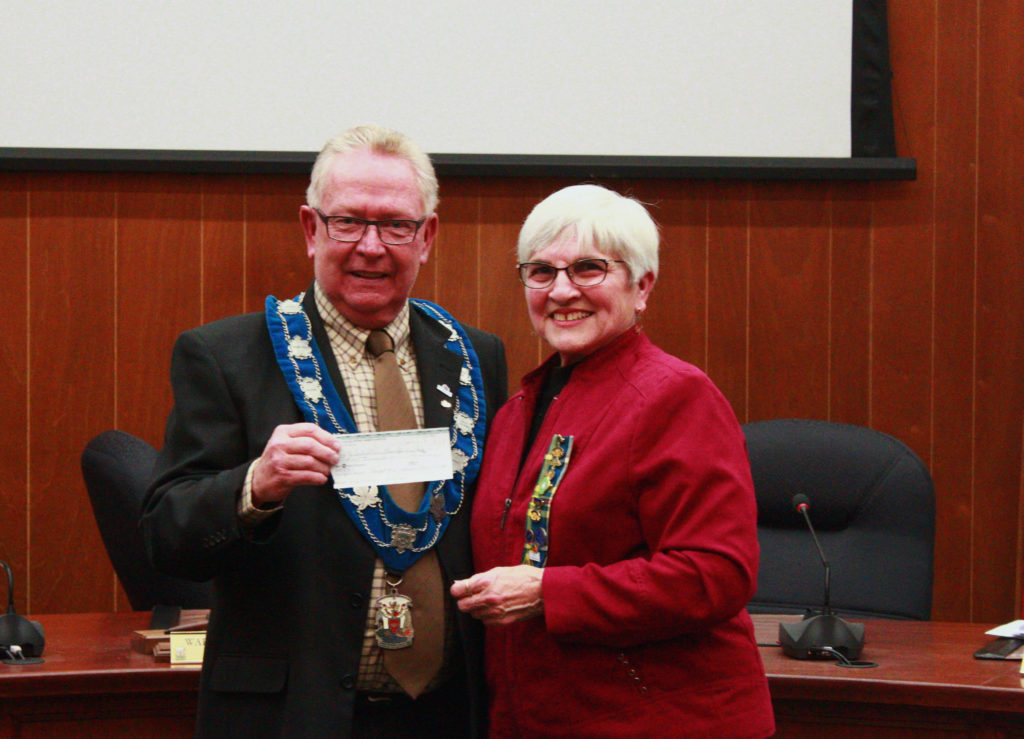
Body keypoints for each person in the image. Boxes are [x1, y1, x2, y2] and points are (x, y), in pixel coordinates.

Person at [142, 124, 508, 738]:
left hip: (447, 713)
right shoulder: (227, 355)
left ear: (428, 237)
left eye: (396, 225)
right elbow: (165, 536)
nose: (372, 246)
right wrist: (254, 487)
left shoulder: (475, 356)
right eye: (349, 223)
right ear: (312, 230)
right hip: (296, 715)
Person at [450, 184, 774, 738]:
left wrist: (548, 593)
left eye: (588, 269)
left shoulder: (675, 396)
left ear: (642, 285)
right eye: (541, 272)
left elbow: (717, 573)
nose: (561, 290)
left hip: (661, 722)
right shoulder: (512, 414)